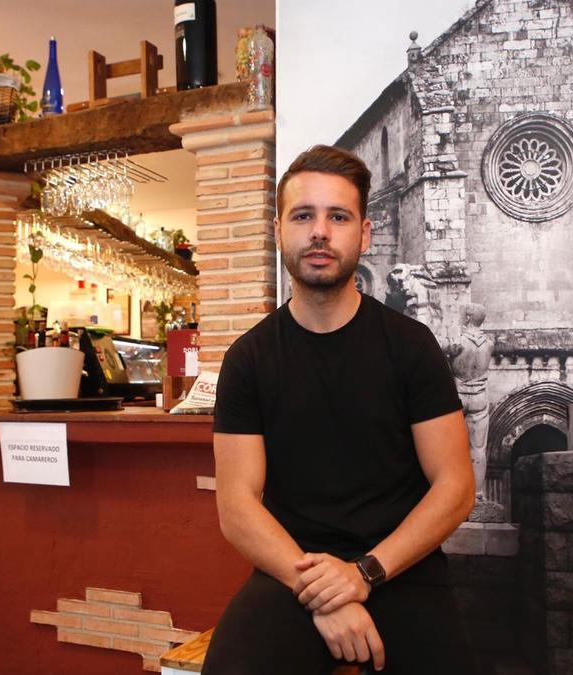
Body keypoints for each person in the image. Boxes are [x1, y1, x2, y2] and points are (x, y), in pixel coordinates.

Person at [204, 145, 477, 675]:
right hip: (292, 569)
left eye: (338, 216)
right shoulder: (249, 359)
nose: (320, 232)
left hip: (402, 567)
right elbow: (237, 507)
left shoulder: (412, 346)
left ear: (365, 233)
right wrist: (323, 592)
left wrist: (363, 574)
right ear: (280, 229)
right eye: (304, 215)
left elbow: (455, 487)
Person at [443, 303, 497, 518]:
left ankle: (449, 494)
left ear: (466, 317)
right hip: (480, 397)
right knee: (478, 448)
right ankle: (477, 494)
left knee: (449, 448)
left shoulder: (456, 342)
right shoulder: (489, 344)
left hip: (457, 394)